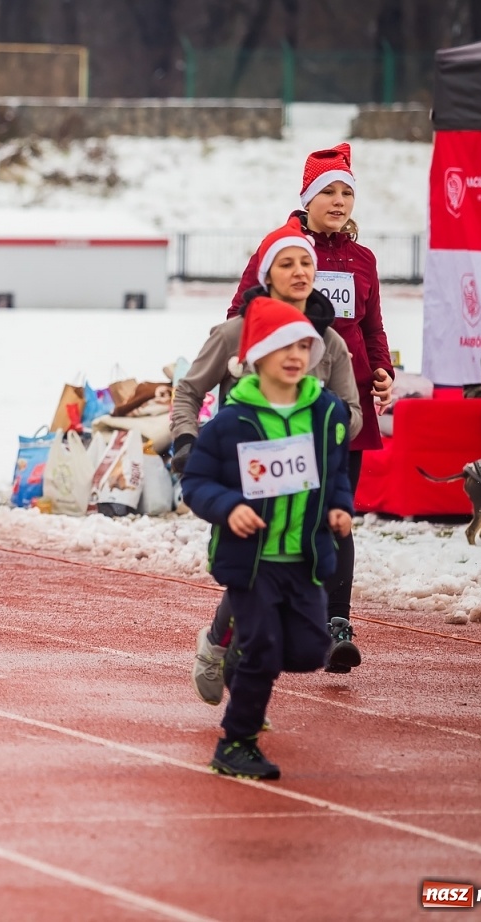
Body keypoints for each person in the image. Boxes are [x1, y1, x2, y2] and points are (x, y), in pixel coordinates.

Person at [176, 225, 365, 702]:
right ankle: (223, 648)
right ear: (267, 274)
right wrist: (187, 440)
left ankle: (265, 652)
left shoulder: (331, 342)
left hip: (309, 482)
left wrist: (323, 425)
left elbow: (354, 413)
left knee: (288, 581)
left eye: (306, 263)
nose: (300, 271)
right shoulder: (235, 333)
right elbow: (189, 390)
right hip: (245, 476)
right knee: (253, 573)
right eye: (287, 264)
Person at [228, 143, 390, 670]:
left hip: (347, 403)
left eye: (347, 192)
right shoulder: (282, 248)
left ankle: (336, 620)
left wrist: (383, 373)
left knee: (337, 512)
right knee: (280, 511)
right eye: (329, 192)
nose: (339, 201)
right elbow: (238, 315)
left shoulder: (363, 259)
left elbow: (371, 328)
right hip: (288, 401)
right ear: (307, 199)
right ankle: (242, 615)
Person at [181, 297, 353, 780]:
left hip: (305, 556)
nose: (296, 355)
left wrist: (340, 507)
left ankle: (239, 659)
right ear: (257, 355)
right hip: (253, 562)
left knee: (304, 651)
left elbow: (336, 472)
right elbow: (196, 483)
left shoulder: (326, 413)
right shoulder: (231, 423)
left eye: (304, 345)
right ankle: (236, 745)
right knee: (263, 647)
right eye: (282, 346)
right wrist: (229, 507)